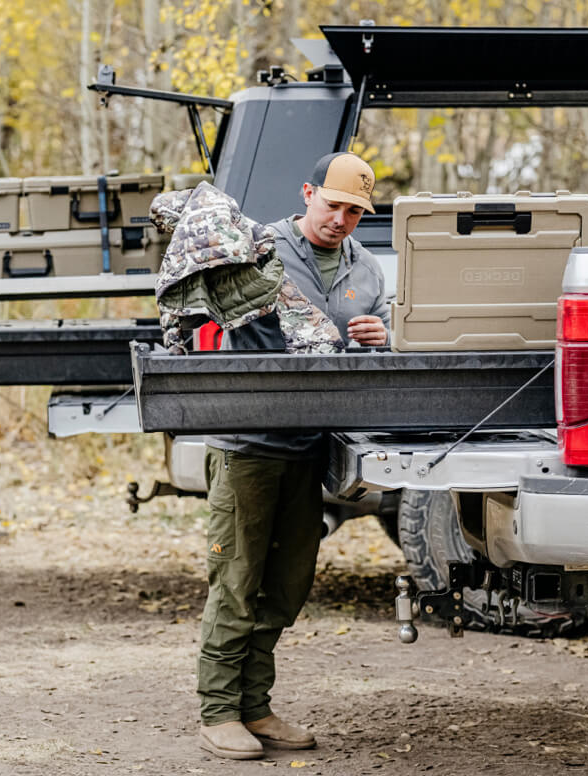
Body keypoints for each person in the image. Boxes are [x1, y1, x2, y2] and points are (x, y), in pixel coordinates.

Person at [196, 152, 389, 760]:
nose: (341, 218)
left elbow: (379, 334)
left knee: (286, 585)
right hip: (249, 444)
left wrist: (381, 337)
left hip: (310, 446)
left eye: (355, 210)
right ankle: (219, 710)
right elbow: (208, 311)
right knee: (237, 580)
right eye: (333, 204)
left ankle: (256, 706)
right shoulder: (256, 248)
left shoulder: (366, 268)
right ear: (308, 193)